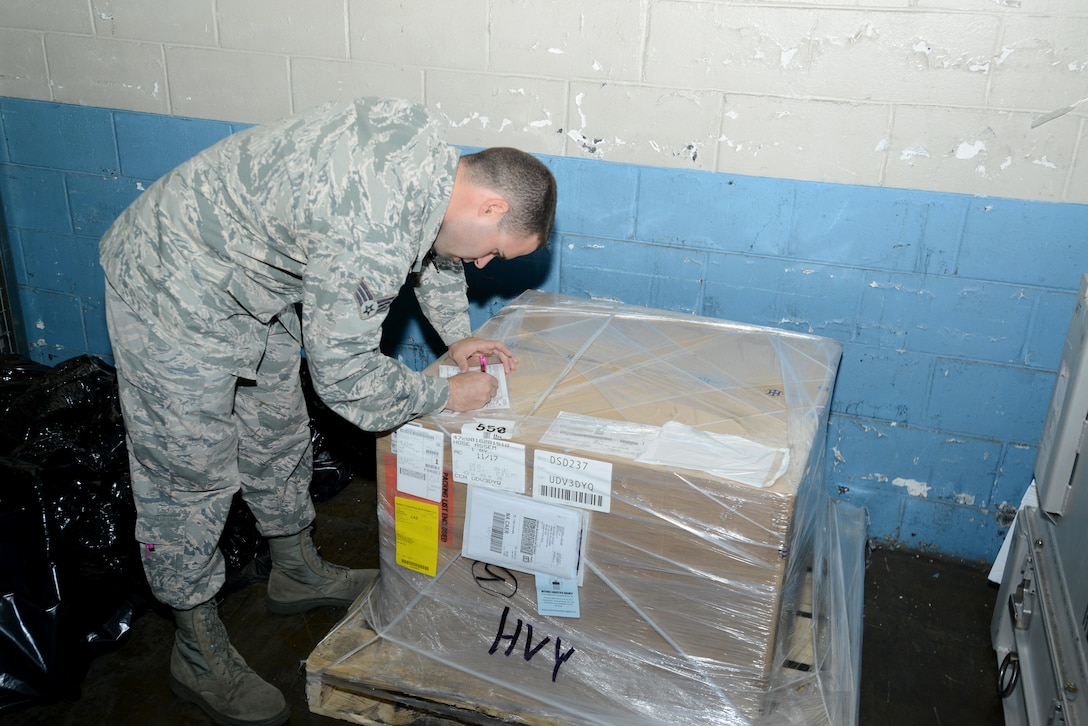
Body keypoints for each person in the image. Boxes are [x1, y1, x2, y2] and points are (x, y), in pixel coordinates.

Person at [99, 97, 557, 726]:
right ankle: (195, 646)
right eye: (496, 253)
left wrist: (455, 337)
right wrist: (444, 393)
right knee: (189, 472)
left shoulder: (430, 163)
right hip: (171, 286)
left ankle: (295, 571)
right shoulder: (372, 226)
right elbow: (347, 382)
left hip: (254, 284)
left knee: (278, 430)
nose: (483, 266)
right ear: (491, 206)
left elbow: (435, 249)